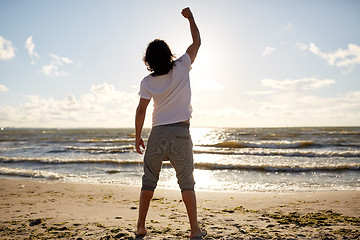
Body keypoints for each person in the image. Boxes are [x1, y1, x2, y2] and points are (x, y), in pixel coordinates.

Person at [134, 7, 207, 239]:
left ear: (149, 61)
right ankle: (195, 230)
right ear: (169, 55)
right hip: (181, 134)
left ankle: (140, 227)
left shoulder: (147, 81)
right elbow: (197, 42)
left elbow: (141, 109)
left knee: (148, 182)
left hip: (157, 135)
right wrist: (191, 18)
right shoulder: (183, 65)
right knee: (187, 183)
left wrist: (137, 136)